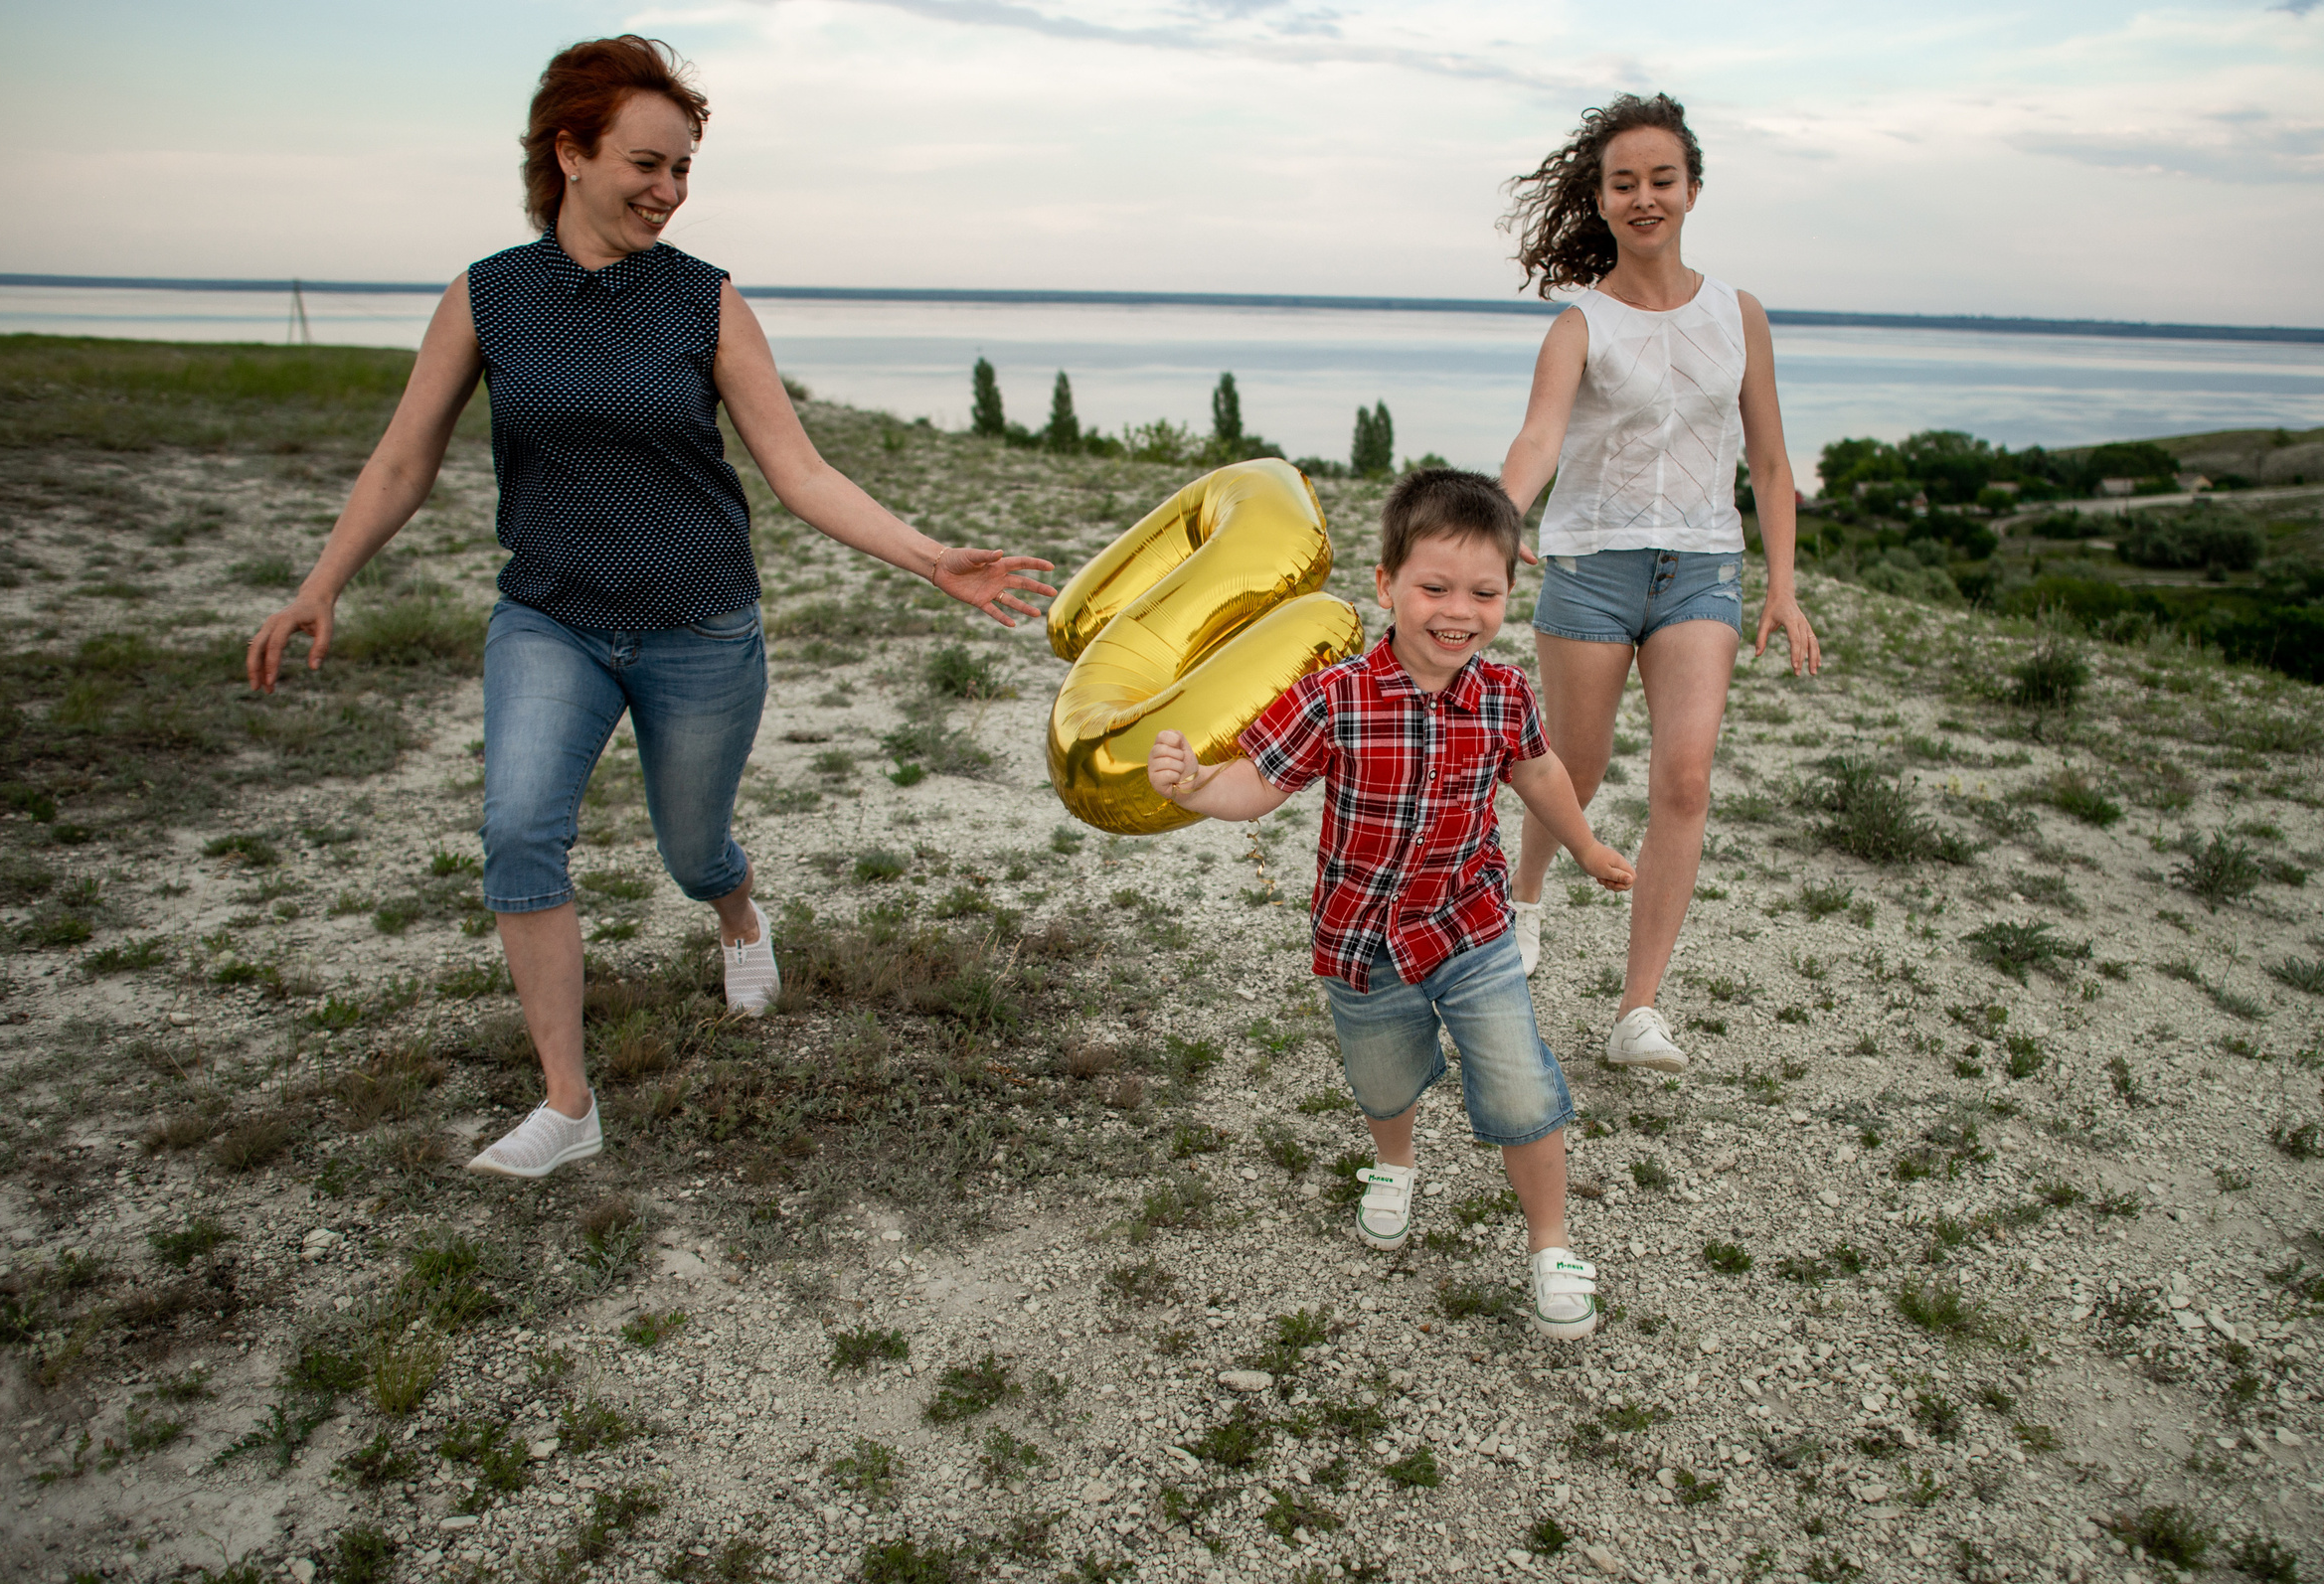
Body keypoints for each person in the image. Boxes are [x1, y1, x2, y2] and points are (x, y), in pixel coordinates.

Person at [245, 37, 1054, 1179]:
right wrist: (320, 584)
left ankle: (738, 917)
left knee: (691, 849)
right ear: (569, 152)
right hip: (551, 618)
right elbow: (399, 462)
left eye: (683, 171)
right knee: (521, 831)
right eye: (646, 164)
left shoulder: (704, 301)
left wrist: (930, 559)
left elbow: (800, 469)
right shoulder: (489, 297)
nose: (667, 192)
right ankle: (568, 1104)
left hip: (699, 625)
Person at [1144, 470, 1634, 1340]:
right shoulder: (1336, 695)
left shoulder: (1505, 694)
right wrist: (1191, 789)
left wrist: (1587, 845)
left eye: (1484, 592)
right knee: (1382, 1079)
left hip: (1471, 925)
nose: (1460, 610)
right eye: (1434, 586)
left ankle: (1552, 1242)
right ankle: (1394, 1165)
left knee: (1522, 1085)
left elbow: (1540, 773)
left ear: (1508, 595)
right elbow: (1256, 782)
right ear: (1386, 585)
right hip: (1361, 940)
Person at [1497, 93, 1822, 1073]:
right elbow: (1539, 439)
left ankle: (1638, 1010)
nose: (1644, 197)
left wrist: (1781, 586)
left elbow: (1769, 463)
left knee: (1684, 778)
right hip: (1592, 568)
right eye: (1623, 183)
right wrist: (1494, 523)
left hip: (1701, 572)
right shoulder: (1579, 323)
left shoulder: (1740, 315)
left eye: (1661, 180)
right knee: (1577, 772)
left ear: (1691, 190)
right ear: (1599, 200)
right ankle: (1524, 897)